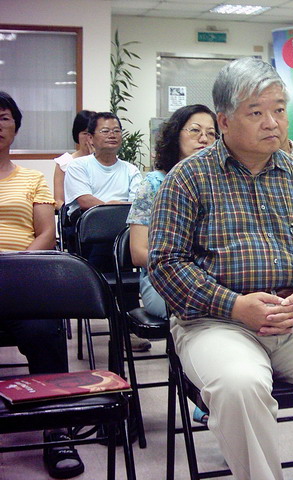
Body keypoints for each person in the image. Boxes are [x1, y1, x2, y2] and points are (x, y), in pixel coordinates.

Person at [148, 57, 293, 480]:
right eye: (256, 112)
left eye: (279, 109)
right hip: (216, 322)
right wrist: (235, 306)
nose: (273, 122)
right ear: (224, 121)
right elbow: (165, 264)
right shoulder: (187, 178)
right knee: (240, 385)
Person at [0, 91, 84, 478]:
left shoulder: (32, 179)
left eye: (4, 118)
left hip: (22, 279)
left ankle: (57, 429)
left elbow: (47, 234)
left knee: (45, 329)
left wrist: (14, 267)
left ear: (15, 128)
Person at [127, 104, 215, 422]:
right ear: (175, 136)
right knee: (213, 308)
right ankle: (206, 391)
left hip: (213, 278)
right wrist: (186, 268)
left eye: (211, 134)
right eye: (195, 131)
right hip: (163, 280)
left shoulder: (221, 182)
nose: (204, 139)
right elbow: (138, 252)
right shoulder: (154, 183)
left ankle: (226, 387)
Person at [64, 112, 142, 270]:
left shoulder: (131, 170)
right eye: (105, 131)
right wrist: (112, 208)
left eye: (117, 131)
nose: (112, 135)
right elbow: (85, 201)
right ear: (90, 138)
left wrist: (113, 207)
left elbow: (138, 205)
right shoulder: (78, 166)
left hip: (124, 231)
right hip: (91, 234)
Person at [53, 110, 95, 210]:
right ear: (77, 134)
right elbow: (58, 201)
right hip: (73, 215)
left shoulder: (107, 162)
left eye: (92, 133)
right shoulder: (64, 162)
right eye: (85, 133)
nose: (89, 138)